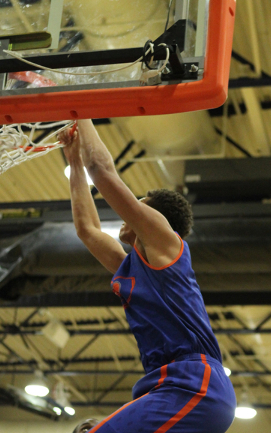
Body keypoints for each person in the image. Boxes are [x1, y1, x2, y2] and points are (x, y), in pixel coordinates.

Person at [58, 119, 236, 433]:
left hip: (194, 384)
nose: (130, 210)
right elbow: (87, 230)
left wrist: (80, 110)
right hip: (169, 385)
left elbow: (101, 170)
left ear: (155, 218)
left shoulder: (169, 246)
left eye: (139, 204)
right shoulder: (132, 268)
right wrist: (73, 160)